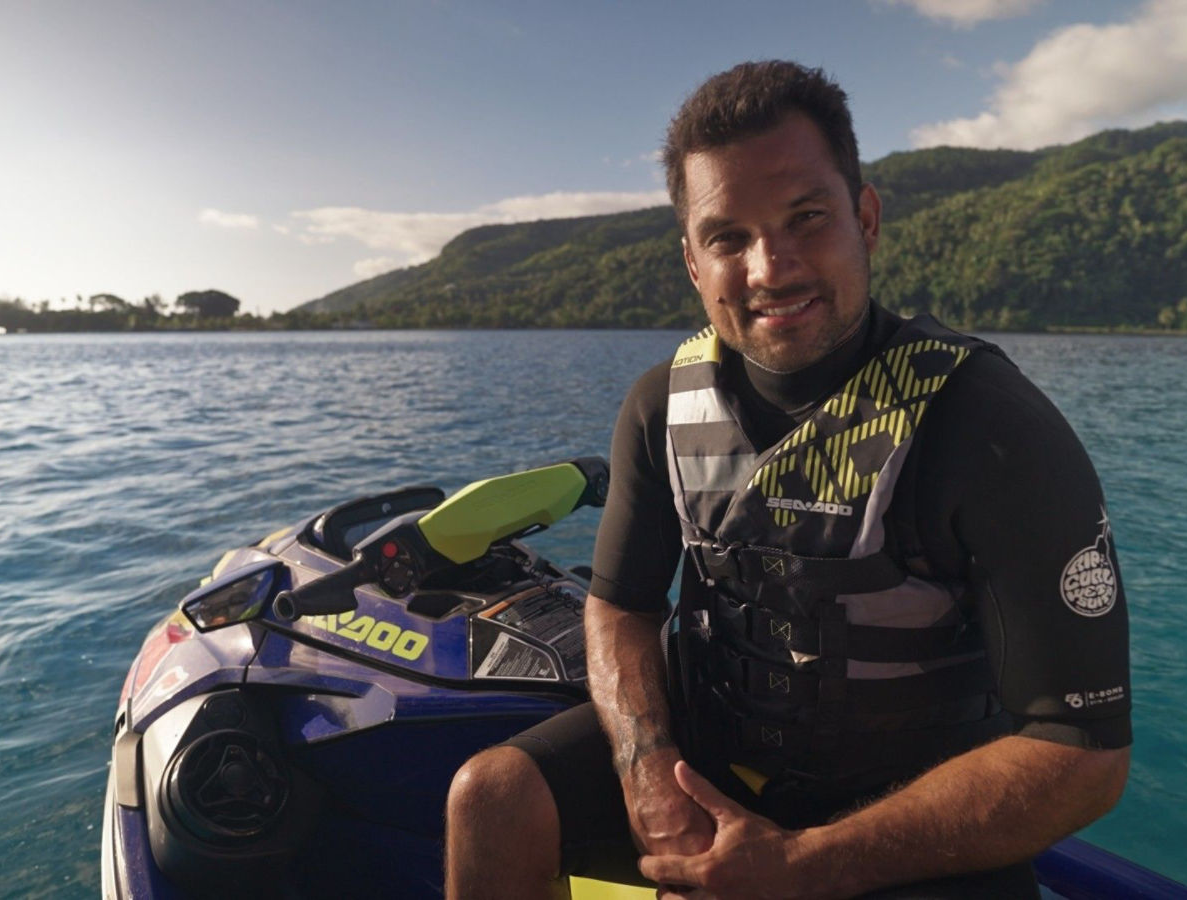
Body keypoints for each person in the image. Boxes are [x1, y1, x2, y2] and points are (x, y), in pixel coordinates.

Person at [446, 60, 1131, 900]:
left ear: (866, 219)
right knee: (490, 798)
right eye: (728, 237)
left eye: (806, 219)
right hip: (708, 754)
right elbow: (622, 605)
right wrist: (648, 769)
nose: (771, 267)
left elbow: (1082, 753)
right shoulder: (663, 406)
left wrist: (803, 867)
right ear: (694, 264)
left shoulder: (987, 428)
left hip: (907, 801)